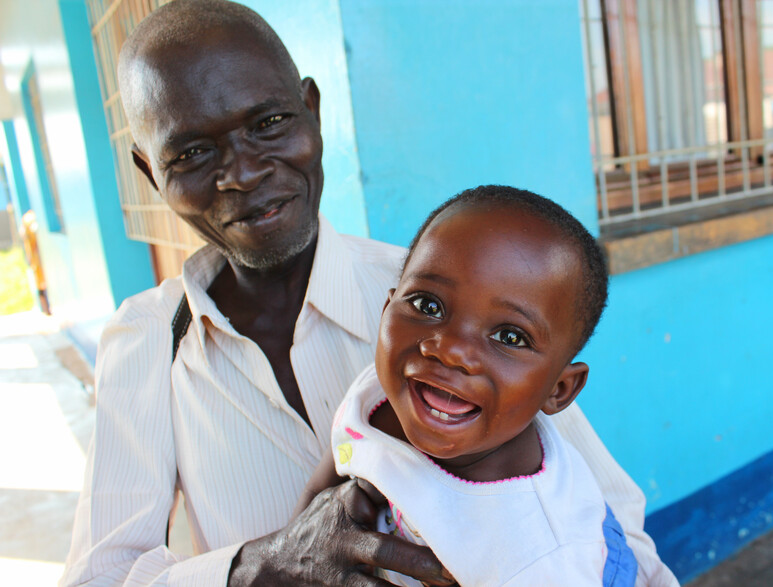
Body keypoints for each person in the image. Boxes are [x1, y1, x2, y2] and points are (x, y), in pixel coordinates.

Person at [62, 0, 677, 585]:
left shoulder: (445, 303)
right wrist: (254, 569)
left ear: (312, 110)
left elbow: (613, 524)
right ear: (151, 172)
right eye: (192, 152)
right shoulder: (148, 341)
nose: (244, 173)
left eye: (269, 123)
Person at [296, 185, 641, 586]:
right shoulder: (378, 393)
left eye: (510, 337)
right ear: (387, 308)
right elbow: (318, 502)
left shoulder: (540, 557)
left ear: (559, 390)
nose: (451, 350)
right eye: (429, 305)